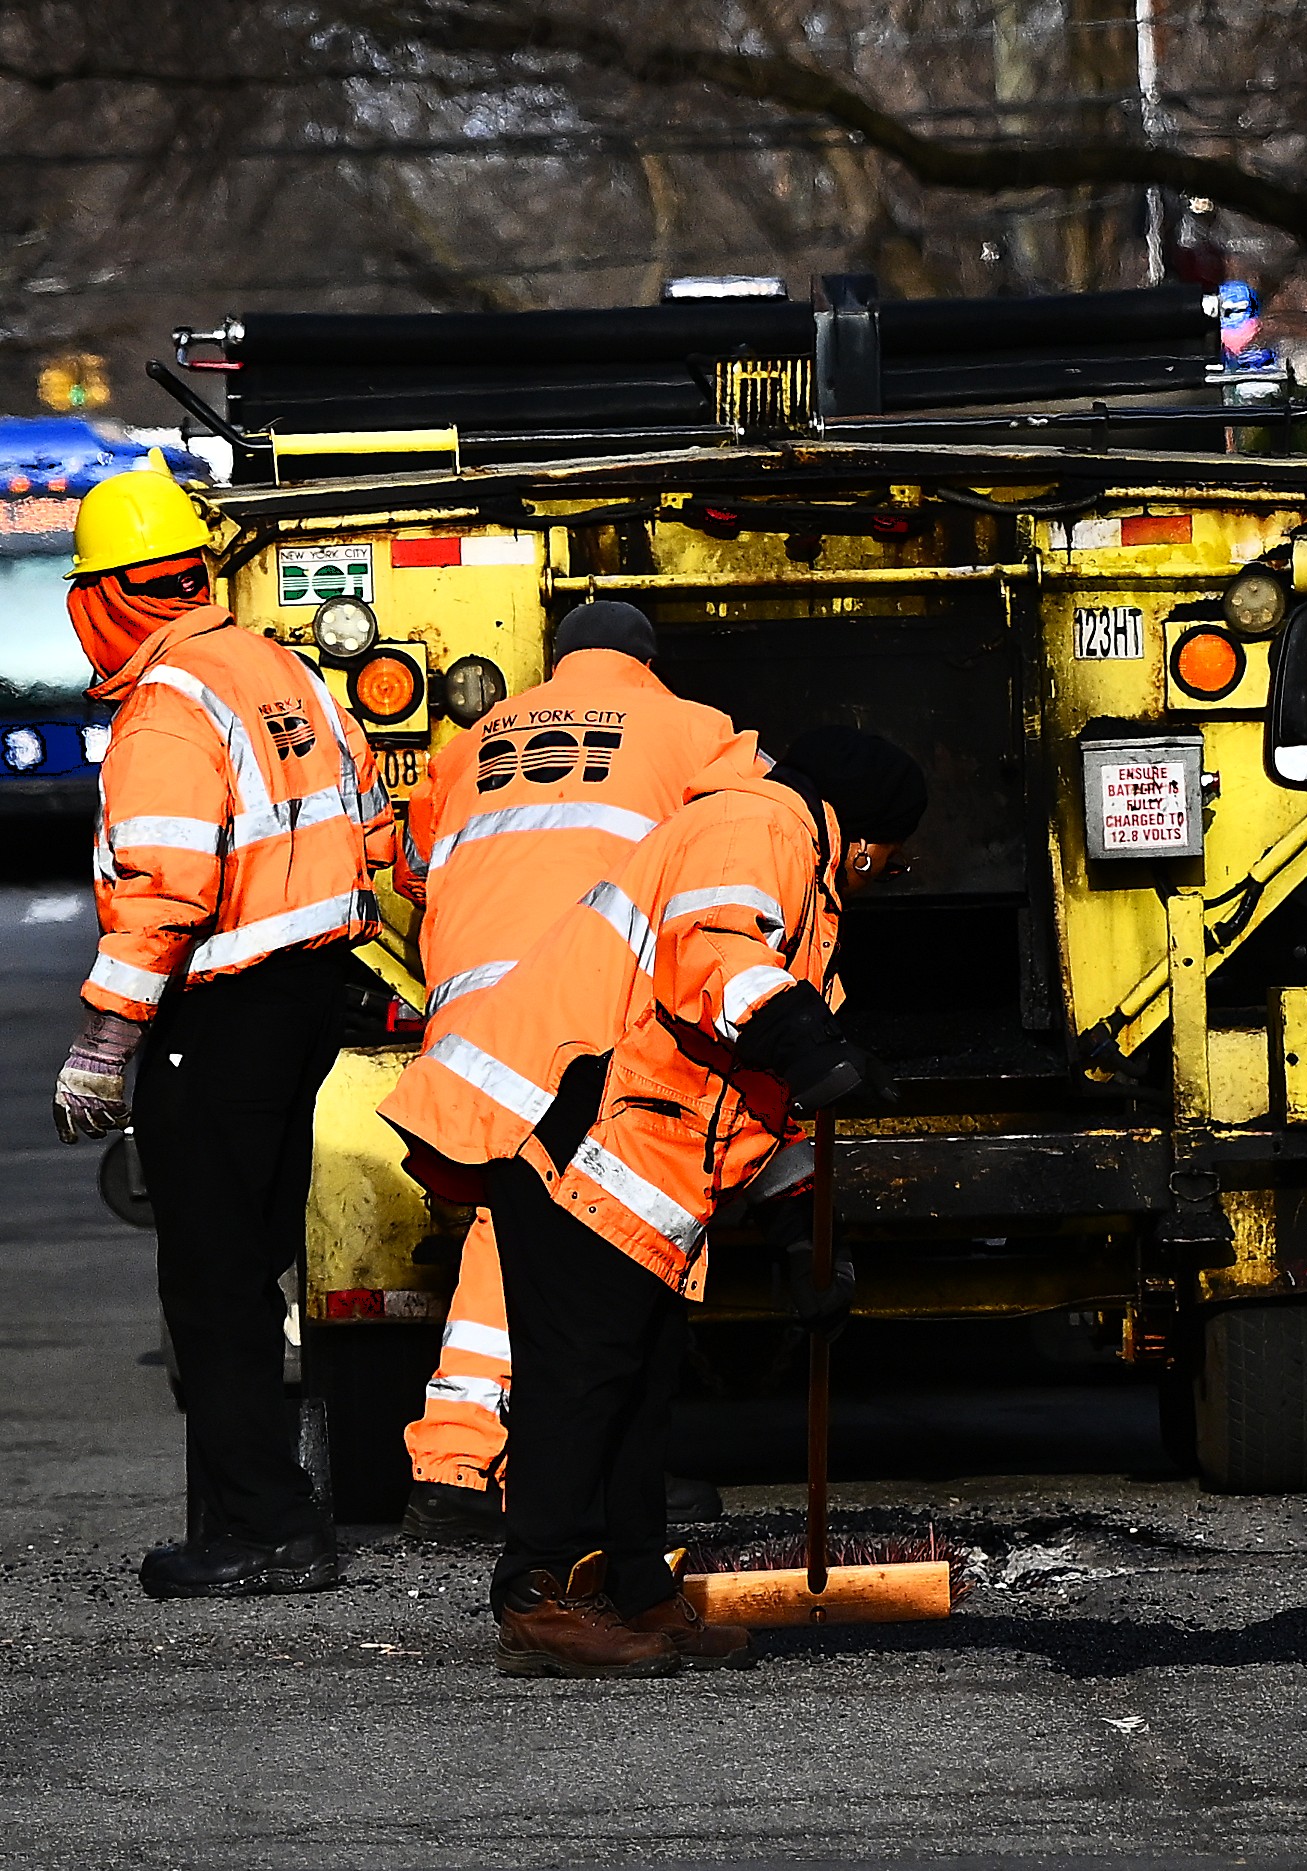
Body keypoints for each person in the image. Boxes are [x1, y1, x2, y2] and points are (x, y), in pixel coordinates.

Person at [379, 726, 924, 1677]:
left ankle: (632, 1585)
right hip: (572, 1135)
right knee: (580, 1376)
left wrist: (804, 1235)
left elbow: (755, 1097)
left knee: (636, 1377)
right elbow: (713, 953)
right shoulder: (758, 825)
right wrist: (808, 1040)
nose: (892, 873)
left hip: (625, 1154)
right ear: (866, 836)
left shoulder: (796, 869)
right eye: (897, 854)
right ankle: (537, 1595)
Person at [51, 454, 391, 1599]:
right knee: (251, 1265)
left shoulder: (168, 707)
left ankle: (262, 1527)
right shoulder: (280, 668)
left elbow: (164, 890)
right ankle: (275, 1515)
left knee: (212, 1285)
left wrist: (106, 1040)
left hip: (220, 1009)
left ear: (106, 594)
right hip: (299, 1004)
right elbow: (370, 825)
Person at [393, 598, 762, 1542]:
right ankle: (492, 1462)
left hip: (473, 1003)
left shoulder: (471, 742)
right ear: (648, 660)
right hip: (583, 1003)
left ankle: (477, 1453)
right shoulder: (695, 729)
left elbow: (413, 869)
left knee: (513, 1211)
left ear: (557, 661)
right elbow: (747, 847)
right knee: (596, 1220)